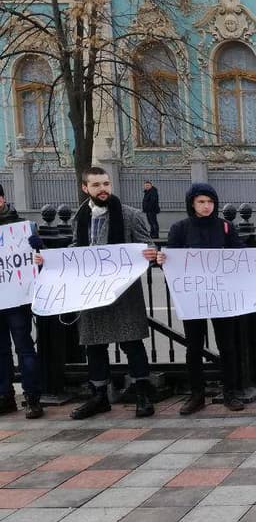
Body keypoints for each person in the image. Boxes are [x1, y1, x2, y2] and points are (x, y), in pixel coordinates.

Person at [50, 167, 159, 419]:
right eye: (97, 185)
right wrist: (55, 260)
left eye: (106, 184)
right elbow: (78, 247)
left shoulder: (130, 215)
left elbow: (148, 244)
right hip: (92, 292)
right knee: (94, 345)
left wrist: (150, 253)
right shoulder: (80, 217)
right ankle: (99, 397)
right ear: (85, 188)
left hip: (124, 292)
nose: (103, 189)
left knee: (132, 342)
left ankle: (142, 394)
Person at [157, 183, 246, 414]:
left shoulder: (225, 227)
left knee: (227, 346)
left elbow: (240, 254)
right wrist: (162, 260)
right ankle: (196, 395)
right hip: (193, 297)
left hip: (221, 295)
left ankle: (230, 393)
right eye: (201, 202)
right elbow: (172, 261)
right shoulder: (180, 228)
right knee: (194, 347)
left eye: (210, 202)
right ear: (192, 203)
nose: (206, 206)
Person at [0, 183, 43, 419]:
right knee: (1, 351)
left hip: (17, 300)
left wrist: (37, 247)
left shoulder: (22, 227)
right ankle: (5, 395)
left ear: (2, 199)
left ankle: (32, 397)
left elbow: (39, 258)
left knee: (24, 348)